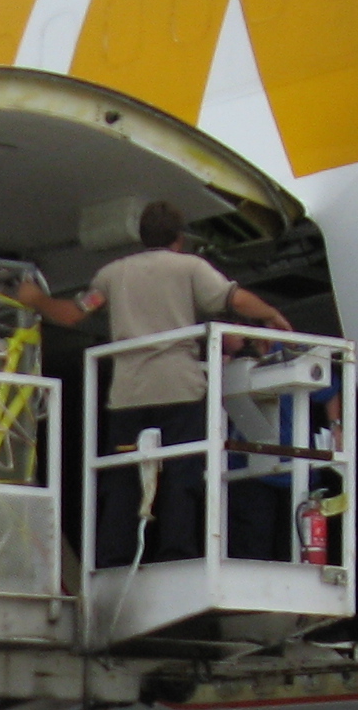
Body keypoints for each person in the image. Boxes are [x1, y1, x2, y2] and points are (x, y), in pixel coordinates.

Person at [16, 201, 293, 565]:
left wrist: (35, 298)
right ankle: (176, 553)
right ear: (179, 238)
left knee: (124, 481)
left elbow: (71, 315)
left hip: (129, 394)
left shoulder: (112, 274)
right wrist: (271, 313)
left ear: (141, 236)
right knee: (181, 476)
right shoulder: (190, 267)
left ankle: (113, 557)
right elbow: (234, 299)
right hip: (180, 388)